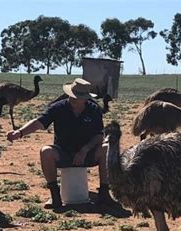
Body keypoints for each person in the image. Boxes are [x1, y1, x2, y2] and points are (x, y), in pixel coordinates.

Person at [7, 78, 114, 209]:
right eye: (72, 95)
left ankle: (104, 193)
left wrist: (84, 150)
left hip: (87, 154)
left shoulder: (94, 110)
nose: (73, 99)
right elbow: (39, 122)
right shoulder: (58, 108)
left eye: (78, 97)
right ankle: (55, 196)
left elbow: (99, 136)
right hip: (63, 153)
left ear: (85, 98)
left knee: (106, 148)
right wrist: (20, 132)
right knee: (46, 151)